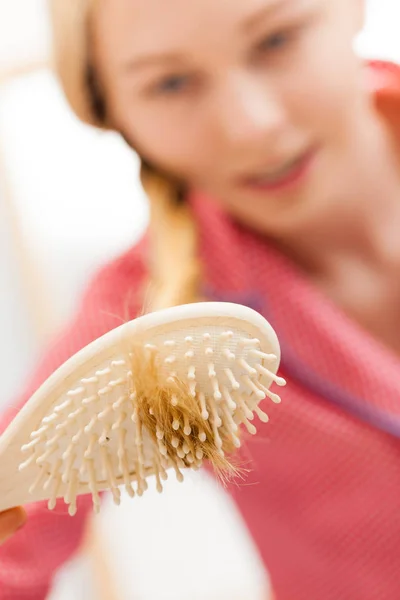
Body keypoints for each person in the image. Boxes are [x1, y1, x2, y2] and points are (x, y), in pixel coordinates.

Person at [2, 0, 400, 598]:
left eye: (276, 40)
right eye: (171, 83)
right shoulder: (143, 329)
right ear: (114, 112)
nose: (253, 125)